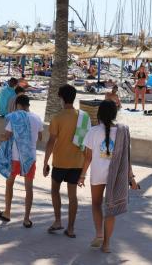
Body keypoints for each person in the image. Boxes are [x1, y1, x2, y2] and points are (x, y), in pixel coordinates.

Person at [79, 100, 139, 253]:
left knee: (96, 204)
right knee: (111, 210)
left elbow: (88, 157)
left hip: (98, 174)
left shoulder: (93, 131)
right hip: (116, 176)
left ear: (99, 114)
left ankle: (99, 233)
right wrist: (131, 178)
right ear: (114, 114)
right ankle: (106, 245)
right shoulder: (123, 131)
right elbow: (127, 157)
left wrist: (82, 175)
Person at [43, 84, 84, 238]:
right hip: (77, 162)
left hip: (60, 162)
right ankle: (71, 228)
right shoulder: (82, 116)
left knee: (55, 190)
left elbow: (51, 142)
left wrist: (45, 162)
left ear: (61, 98)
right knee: (72, 196)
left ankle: (58, 221)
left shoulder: (57, 118)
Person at [0, 95, 43, 228]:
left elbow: (7, 136)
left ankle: (7, 212)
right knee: (29, 188)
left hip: (15, 157)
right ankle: (26, 219)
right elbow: (39, 137)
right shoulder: (37, 118)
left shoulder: (14, 117)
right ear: (28, 105)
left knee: (9, 183)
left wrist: (0, 137)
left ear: (18, 105)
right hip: (30, 157)